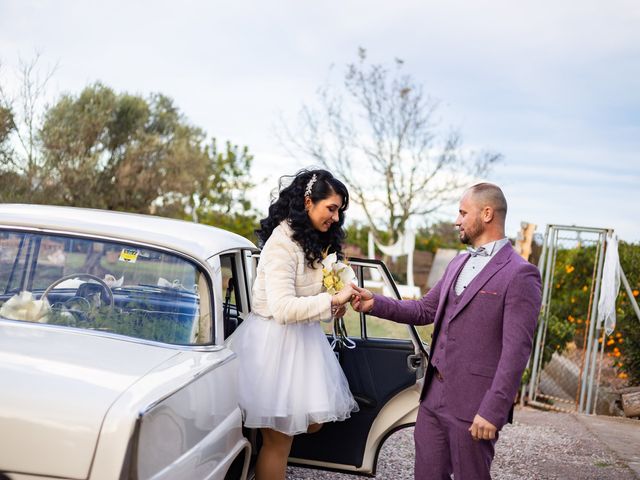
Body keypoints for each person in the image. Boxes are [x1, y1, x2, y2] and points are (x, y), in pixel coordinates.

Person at [351, 183, 542, 480]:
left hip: (474, 404)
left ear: (487, 213)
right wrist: (373, 302)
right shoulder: (459, 262)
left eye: (463, 212)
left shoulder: (520, 273)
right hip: (433, 399)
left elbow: (516, 351)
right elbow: (425, 310)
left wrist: (493, 409)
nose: (457, 220)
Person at [230, 169, 359, 480]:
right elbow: (283, 307)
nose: (336, 217)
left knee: (311, 423)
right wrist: (331, 301)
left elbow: (311, 295)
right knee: (279, 440)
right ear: (308, 202)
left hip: (303, 343)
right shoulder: (281, 244)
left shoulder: (312, 242)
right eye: (331, 208)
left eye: (340, 210)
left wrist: (333, 306)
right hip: (273, 345)